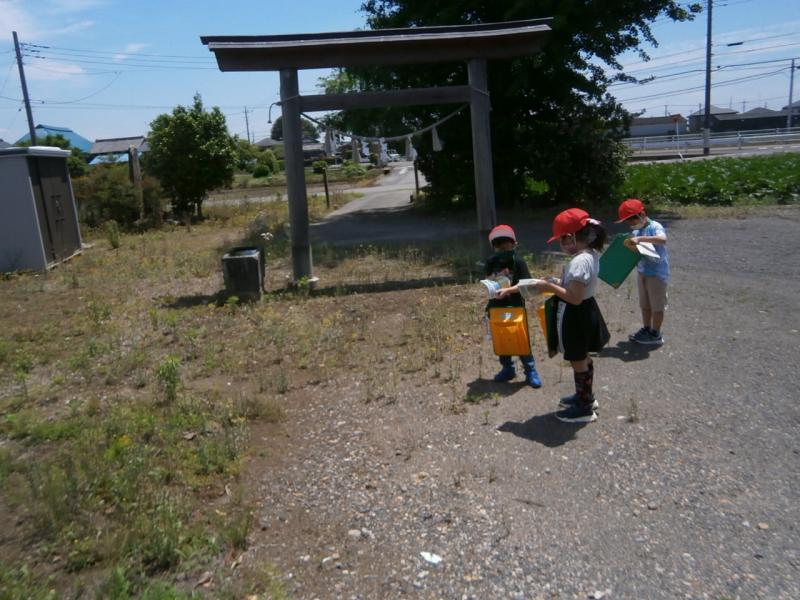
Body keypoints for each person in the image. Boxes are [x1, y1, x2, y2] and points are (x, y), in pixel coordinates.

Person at [497, 209, 609, 423]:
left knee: (577, 359)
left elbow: (574, 298)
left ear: (572, 238)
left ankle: (584, 408)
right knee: (583, 357)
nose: (561, 245)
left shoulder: (578, 262)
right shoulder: (589, 255)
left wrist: (549, 285)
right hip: (586, 310)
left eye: (561, 240)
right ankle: (586, 397)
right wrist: (556, 283)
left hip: (576, 314)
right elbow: (576, 289)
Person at [485, 224, 542, 388]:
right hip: (496, 307)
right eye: (499, 247)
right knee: (501, 339)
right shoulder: (491, 261)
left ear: (514, 244)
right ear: (493, 247)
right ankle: (507, 368)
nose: (503, 249)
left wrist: (510, 289)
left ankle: (530, 370)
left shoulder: (518, 262)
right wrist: (492, 282)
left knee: (521, 339)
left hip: (515, 306)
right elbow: (488, 279)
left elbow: (529, 285)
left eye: (506, 245)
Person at [616, 198, 669, 346]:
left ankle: (656, 333)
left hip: (657, 274)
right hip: (643, 272)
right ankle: (646, 328)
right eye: (628, 222)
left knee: (657, 305)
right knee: (645, 304)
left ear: (642, 214)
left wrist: (641, 238)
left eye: (632, 220)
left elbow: (663, 239)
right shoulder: (637, 231)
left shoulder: (655, 226)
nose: (631, 224)